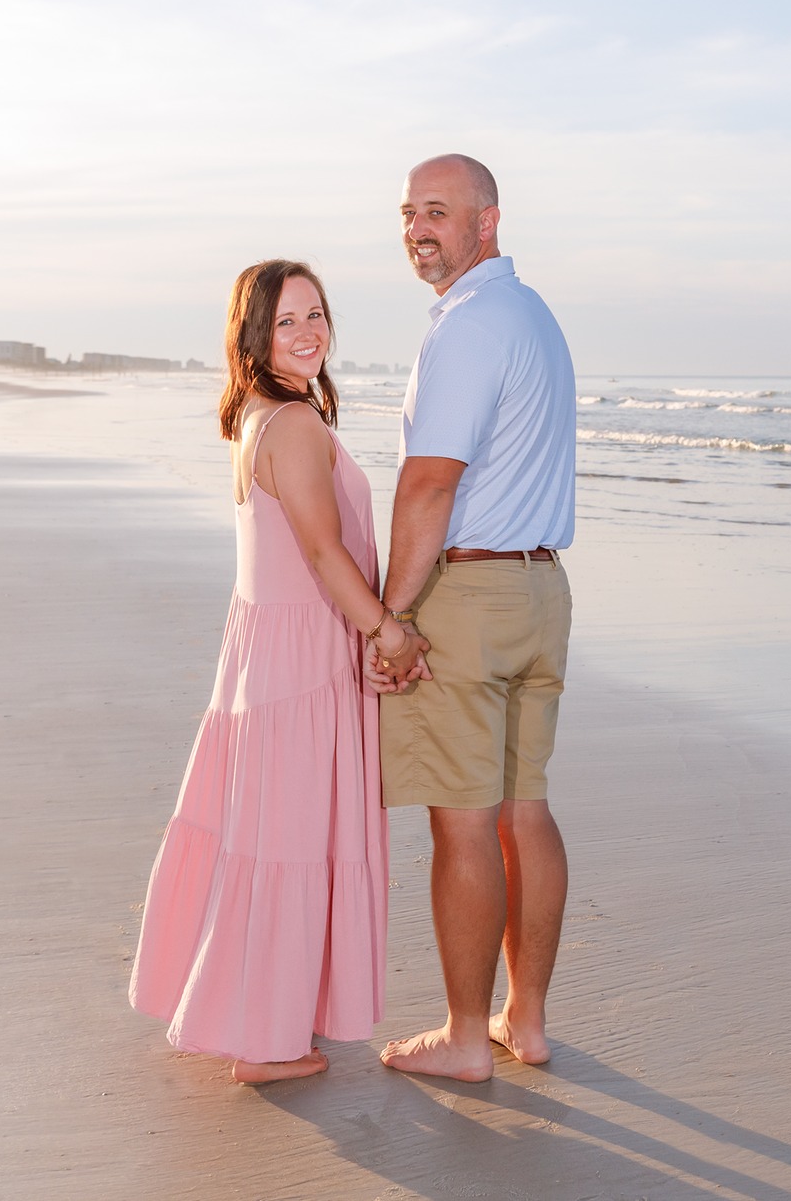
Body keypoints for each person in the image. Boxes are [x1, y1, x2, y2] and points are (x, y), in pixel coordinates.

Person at [129, 259, 411, 1084]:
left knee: (263, 835)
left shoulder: (258, 415)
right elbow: (324, 552)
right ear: (254, 334)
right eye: (287, 320)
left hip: (270, 652)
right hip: (303, 659)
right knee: (286, 841)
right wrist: (386, 630)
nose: (308, 332)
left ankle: (255, 1016)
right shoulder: (292, 425)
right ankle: (264, 1036)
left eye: (317, 314)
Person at [369, 154, 578, 1083]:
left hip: (473, 593)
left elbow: (429, 481)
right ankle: (522, 1020)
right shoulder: (534, 317)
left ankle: (464, 1035)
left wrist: (392, 614)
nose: (420, 228)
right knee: (523, 809)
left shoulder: (468, 327)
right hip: (542, 591)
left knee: (463, 823)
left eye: (439, 213)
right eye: (411, 212)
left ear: (486, 222)